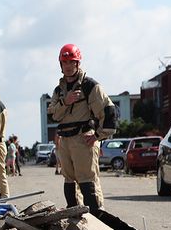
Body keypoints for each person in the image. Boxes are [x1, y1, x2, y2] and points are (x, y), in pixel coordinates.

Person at [47, 43, 118, 214]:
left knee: (87, 180)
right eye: (65, 63)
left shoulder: (89, 85)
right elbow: (52, 114)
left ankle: (97, 219)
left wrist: (98, 136)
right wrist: (66, 101)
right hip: (65, 140)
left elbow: (109, 111)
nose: (68, 66)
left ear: (78, 63)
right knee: (69, 180)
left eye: (72, 62)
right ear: (60, 65)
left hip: (83, 138)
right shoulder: (59, 90)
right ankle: (76, 219)